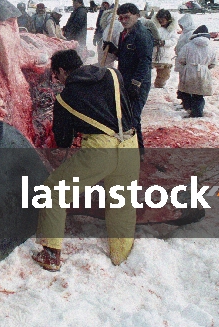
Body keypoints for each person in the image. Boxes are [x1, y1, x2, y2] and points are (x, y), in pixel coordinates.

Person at [32, 49, 139, 271]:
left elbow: (63, 140)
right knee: (121, 204)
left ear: (62, 71)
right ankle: (122, 257)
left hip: (100, 150)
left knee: (54, 191)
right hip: (130, 144)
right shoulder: (112, 74)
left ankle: (50, 255)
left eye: (56, 75)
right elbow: (130, 104)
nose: (57, 81)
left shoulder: (65, 98)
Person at [103, 3, 153, 153]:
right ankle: (137, 150)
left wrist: (136, 84)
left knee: (132, 118)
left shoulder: (142, 34)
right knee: (128, 116)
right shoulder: (124, 34)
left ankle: (137, 152)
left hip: (138, 83)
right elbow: (127, 56)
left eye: (127, 17)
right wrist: (114, 49)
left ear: (137, 16)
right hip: (125, 80)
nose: (124, 20)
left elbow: (145, 61)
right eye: (121, 18)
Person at [176, 25, 215, 117]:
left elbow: (181, 58)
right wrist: (205, 67)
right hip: (204, 71)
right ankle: (198, 111)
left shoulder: (188, 46)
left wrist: (187, 64)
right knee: (199, 94)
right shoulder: (211, 47)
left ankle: (189, 108)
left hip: (190, 70)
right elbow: (213, 63)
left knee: (186, 91)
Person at [145, 9, 177, 88]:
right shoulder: (152, 27)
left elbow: (174, 40)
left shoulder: (172, 29)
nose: (161, 21)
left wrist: (164, 43)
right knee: (146, 72)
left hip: (165, 55)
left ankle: (159, 86)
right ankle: (146, 85)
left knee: (164, 74)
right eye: (159, 20)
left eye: (162, 20)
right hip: (153, 53)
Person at [94, 0, 122, 66]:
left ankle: (107, 72)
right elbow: (99, 25)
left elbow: (113, 28)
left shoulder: (114, 12)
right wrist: (95, 36)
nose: (105, 5)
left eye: (106, 3)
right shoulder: (102, 11)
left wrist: (108, 39)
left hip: (109, 39)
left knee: (108, 59)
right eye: (104, 3)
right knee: (101, 57)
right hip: (101, 38)